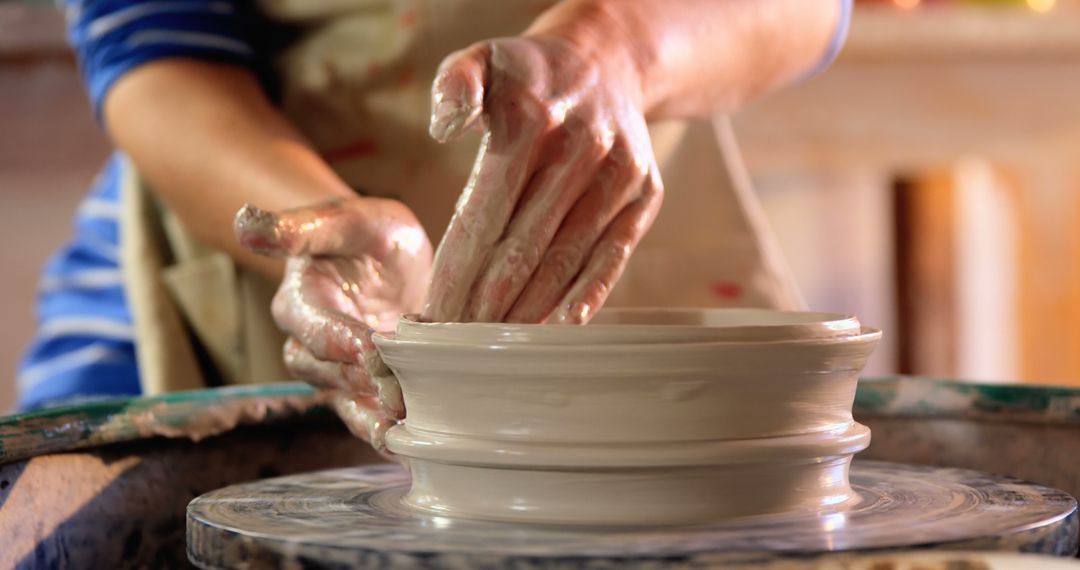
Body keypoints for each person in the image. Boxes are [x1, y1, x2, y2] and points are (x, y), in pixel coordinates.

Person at [19, 0, 851, 446]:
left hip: (625, 247)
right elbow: (154, 52)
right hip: (258, 236)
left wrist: (615, 50)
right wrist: (327, 223)